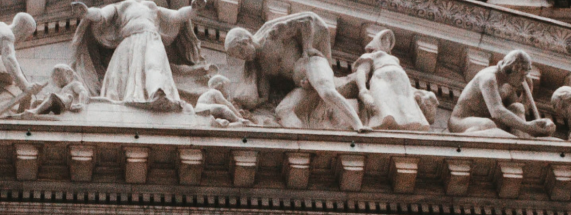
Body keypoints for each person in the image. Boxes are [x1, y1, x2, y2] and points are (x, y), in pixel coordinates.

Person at [224, 12, 366, 133]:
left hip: (309, 64)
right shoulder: (258, 66)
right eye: (239, 56)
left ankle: (358, 125)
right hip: (301, 84)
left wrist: (307, 49)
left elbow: (307, 20)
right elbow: (263, 95)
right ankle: (306, 144)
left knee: (327, 92)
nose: (243, 57)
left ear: (247, 40)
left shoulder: (272, 34)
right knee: (282, 112)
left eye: (242, 51)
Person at [70, 0, 207, 111]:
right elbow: (100, 15)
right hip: (129, 42)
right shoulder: (121, 6)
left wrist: (193, 9)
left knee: (154, 65)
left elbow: (176, 16)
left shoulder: (152, 6)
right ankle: (118, 101)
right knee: (121, 75)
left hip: (151, 38)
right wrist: (86, 12)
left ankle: (157, 93)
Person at [448, 49, 554, 138]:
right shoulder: (488, 78)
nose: (523, 80)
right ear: (512, 69)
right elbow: (497, 111)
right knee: (487, 124)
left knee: (517, 107)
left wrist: (528, 92)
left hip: (492, 122)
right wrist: (528, 127)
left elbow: (515, 115)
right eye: (521, 76)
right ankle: (515, 142)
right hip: (461, 122)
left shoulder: (508, 83)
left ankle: (521, 146)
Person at [345, 29, 430, 131]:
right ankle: (385, 121)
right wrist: (363, 90)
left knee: (405, 109)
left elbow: (405, 81)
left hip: (401, 86)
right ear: (377, 41)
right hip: (382, 80)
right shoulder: (372, 55)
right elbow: (362, 71)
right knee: (384, 106)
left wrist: (415, 92)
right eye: (384, 39)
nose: (387, 42)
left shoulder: (394, 60)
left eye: (389, 40)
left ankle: (408, 123)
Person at [24, 64, 90, 116]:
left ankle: (36, 111)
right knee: (37, 101)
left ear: (68, 74)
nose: (56, 78)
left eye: (58, 75)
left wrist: (81, 103)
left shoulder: (74, 84)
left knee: (52, 96)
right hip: (59, 105)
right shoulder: (59, 90)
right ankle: (31, 113)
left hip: (67, 104)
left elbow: (82, 91)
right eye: (55, 76)